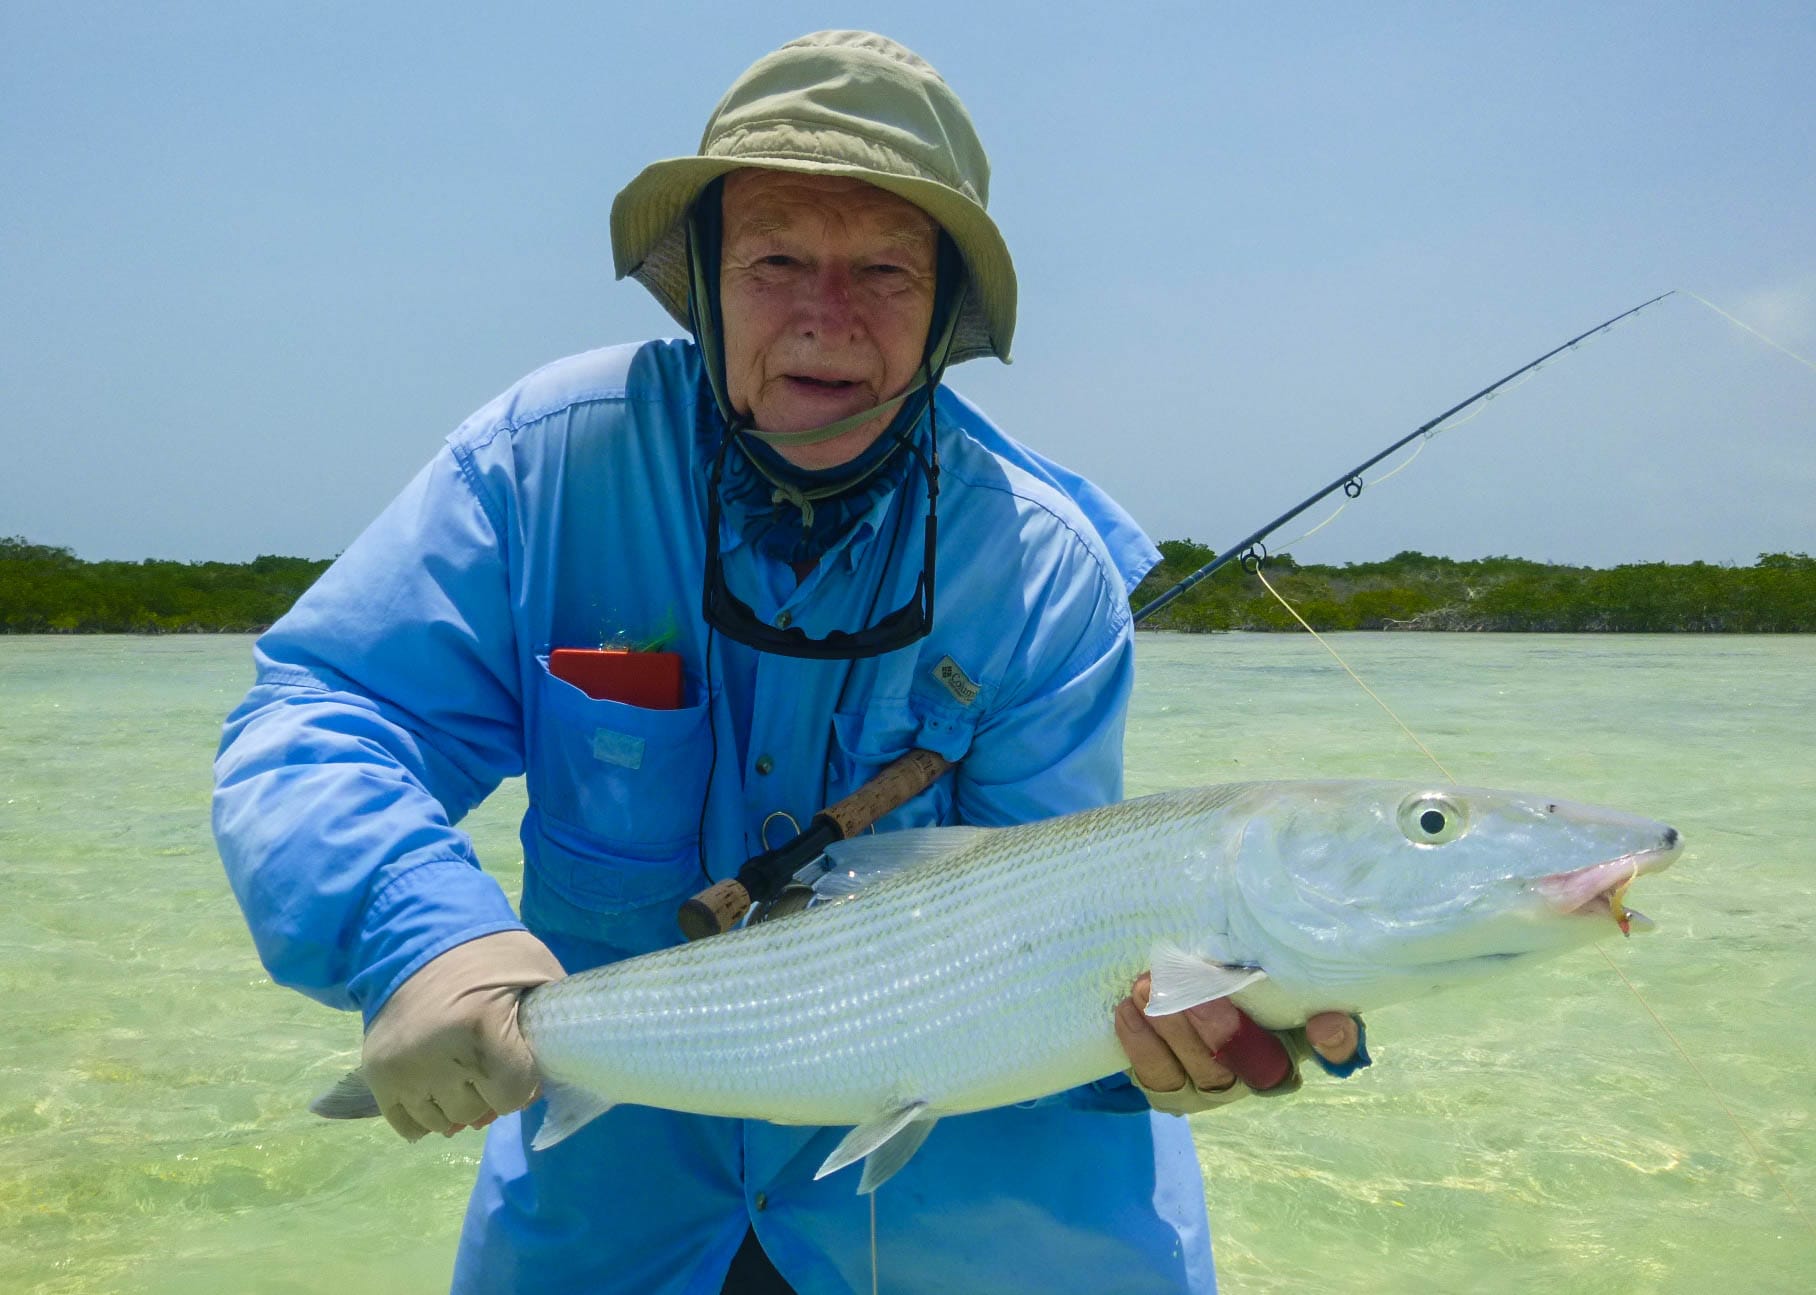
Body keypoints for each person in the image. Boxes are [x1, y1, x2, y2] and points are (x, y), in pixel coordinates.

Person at [213, 30, 1361, 1294]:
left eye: (882, 267)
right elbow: (329, 711)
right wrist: (416, 937)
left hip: (982, 1231)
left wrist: (1165, 1041)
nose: (825, 318)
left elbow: (1064, 952)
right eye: (773, 260)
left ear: (942, 315)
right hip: (619, 1212)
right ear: (702, 279)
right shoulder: (545, 467)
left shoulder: (1041, 571)